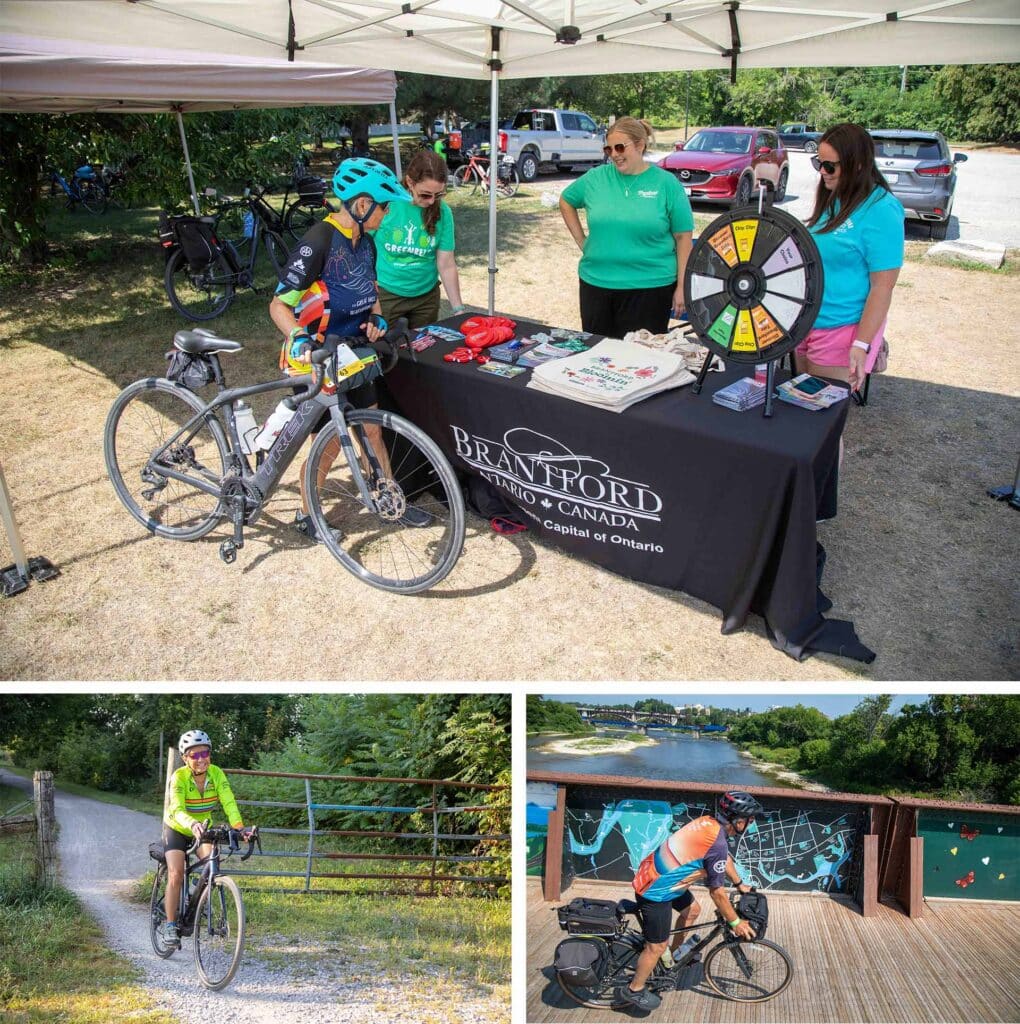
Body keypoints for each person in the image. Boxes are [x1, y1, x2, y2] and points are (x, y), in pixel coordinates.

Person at [269, 157, 428, 538]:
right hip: (319, 356)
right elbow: (278, 305)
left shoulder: (367, 244)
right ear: (361, 205)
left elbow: (368, 290)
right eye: (384, 206)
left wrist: (377, 319)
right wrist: (300, 337)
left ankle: (388, 501)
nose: (387, 214)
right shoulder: (318, 242)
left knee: (372, 429)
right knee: (328, 445)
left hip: (353, 352)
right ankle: (307, 513)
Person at [617, 790, 762, 1012]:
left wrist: (739, 883)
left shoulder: (708, 823)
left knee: (693, 910)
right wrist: (735, 923)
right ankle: (634, 989)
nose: (751, 824)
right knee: (656, 947)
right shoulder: (717, 842)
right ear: (738, 820)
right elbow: (717, 894)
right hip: (656, 891)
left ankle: (672, 960)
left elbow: (723, 859)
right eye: (750, 820)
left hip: (661, 879)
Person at [796, 122, 904, 399]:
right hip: (808, 322)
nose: (822, 172)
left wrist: (862, 343)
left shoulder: (881, 210)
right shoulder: (835, 198)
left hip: (841, 328)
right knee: (801, 413)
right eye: (818, 163)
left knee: (821, 421)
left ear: (857, 165)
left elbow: (883, 286)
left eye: (829, 166)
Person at [559, 116, 694, 339]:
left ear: (640, 145)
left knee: (642, 362)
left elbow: (683, 238)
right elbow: (566, 200)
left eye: (620, 147)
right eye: (608, 149)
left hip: (650, 289)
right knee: (598, 358)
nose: (614, 155)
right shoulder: (595, 178)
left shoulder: (666, 183)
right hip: (596, 285)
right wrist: (583, 243)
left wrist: (682, 287)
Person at [161, 730, 252, 946]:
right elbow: (177, 808)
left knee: (212, 864)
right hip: (177, 827)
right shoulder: (179, 777)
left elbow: (229, 802)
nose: (201, 759)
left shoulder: (217, 774)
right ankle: (170, 925)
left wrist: (239, 828)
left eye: (205, 754)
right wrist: (190, 824)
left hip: (203, 827)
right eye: (194, 755)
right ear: (185, 758)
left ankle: (196, 893)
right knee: (176, 873)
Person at [372, 149, 465, 329]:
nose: (431, 201)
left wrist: (458, 309)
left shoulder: (443, 212)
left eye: (438, 195)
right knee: (385, 352)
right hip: (387, 294)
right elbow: (361, 251)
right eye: (425, 194)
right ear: (410, 183)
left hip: (426, 297)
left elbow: (446, 263)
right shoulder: (386, 204)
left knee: (422, 350)